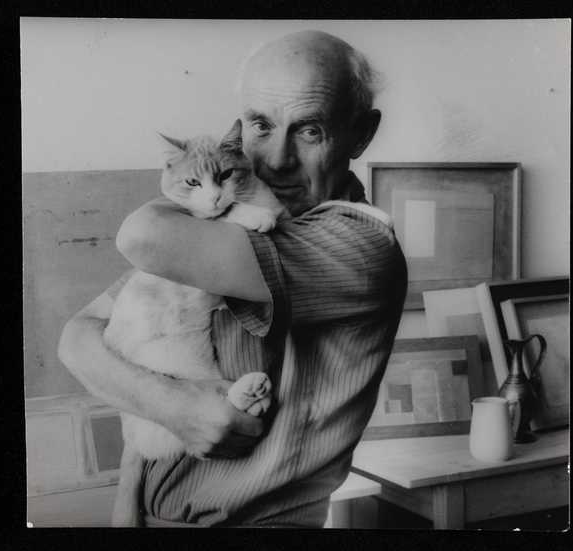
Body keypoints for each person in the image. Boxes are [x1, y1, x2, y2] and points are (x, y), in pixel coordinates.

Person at [58, 29, 407, 528]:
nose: (275, 159)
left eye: (309, 130)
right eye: (260, 125)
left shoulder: (359, 244)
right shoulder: (226, 220)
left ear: (362, 133)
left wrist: (130, 389)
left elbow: (140, 237)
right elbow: (76, 337)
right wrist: (172, 406)